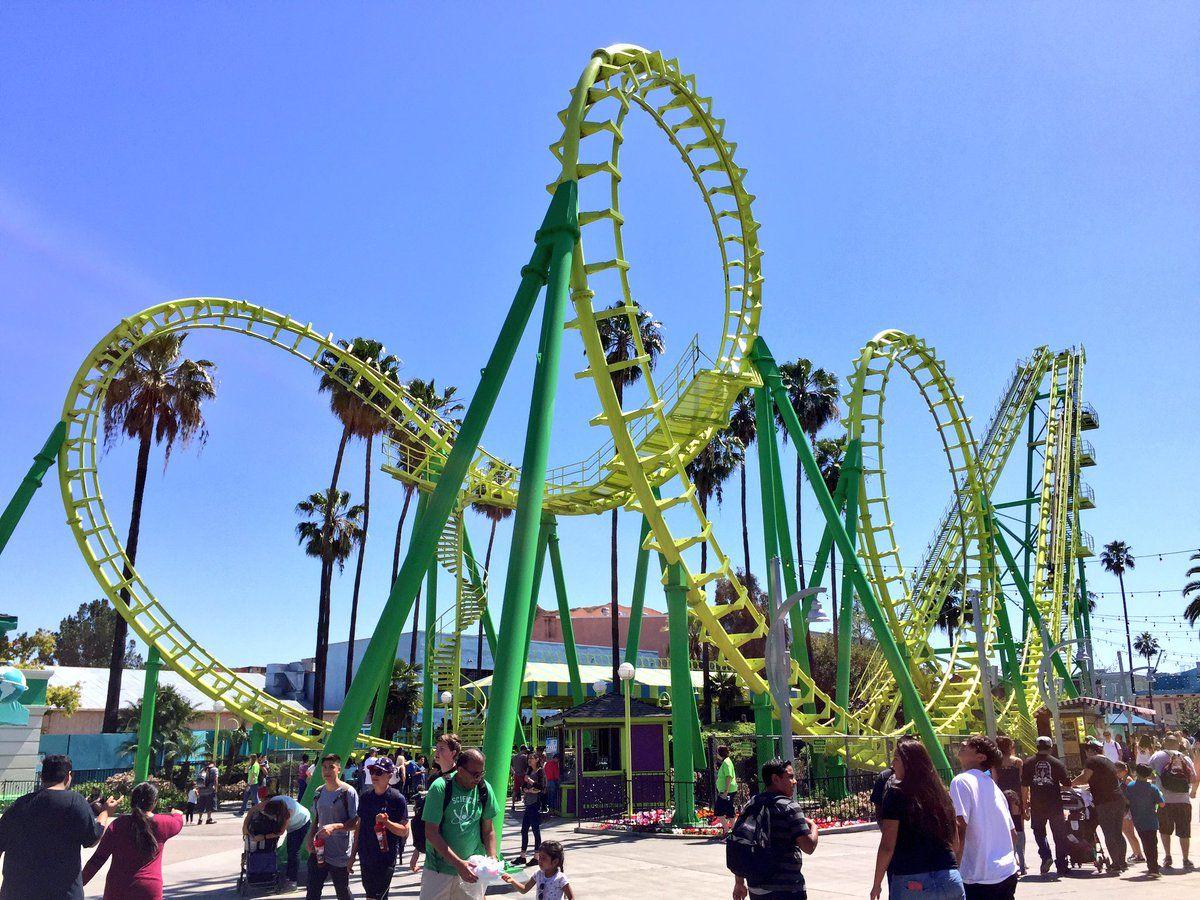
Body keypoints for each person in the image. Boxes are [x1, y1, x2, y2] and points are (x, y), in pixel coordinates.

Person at [0, 754, 117, 900]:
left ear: (42, 777)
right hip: (62, 894)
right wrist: (105, 812)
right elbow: (92, 838)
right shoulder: (75, 802)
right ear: (68, 776)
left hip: (17, 892)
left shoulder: (20, 804)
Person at [870, 738, 963, 900]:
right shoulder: (942, 794)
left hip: (912, 879)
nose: (893, 764)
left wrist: (877, 883)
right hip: (949, 878)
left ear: (908, 763)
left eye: (896, 759)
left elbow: (887, 846)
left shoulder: (896, 793)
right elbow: (954, 843)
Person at [730, 758, 817, 900]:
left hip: (757, 887)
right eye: (790, 777)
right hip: (787, 889)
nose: (794, 781)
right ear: (776, 779)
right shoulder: (789, 806)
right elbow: (809, 846)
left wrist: (739, 882)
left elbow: (742, 843)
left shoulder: (752, 804)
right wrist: (814, 826)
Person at [81, 780, 183, 900]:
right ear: (154, 802)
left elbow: (98, 859)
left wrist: (78, 883)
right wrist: (177, 814)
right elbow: (178, 822)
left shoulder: (119, 824)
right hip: (149, 888)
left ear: (132, 801)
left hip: (118, 888)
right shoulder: (163, 823)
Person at [421, 747, 499, 900]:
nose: (478, 778)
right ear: (460, 769)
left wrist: (492, 857)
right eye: (475, 774)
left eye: (481, 773)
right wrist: (458, 864)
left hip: (472, 870)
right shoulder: (440, 788)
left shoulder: (484, 789)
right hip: (439, 870)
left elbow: (488, 830)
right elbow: (431, 832)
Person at [950, 736, 1018, 900]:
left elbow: (960, 826)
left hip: (978, 877)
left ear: (981, 757)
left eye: (970, 744)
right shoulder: (993, 786)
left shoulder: (961, 781)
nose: (963, 743)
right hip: (1007, 872)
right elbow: (1013, 834)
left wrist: (954, 867)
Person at [305, 754, 360, 900]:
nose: (327, 771)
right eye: (324, 767)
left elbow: (355, 822)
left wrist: (335, 827)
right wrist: (310, 838)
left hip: (340, 852)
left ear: (338, 769)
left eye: (331, 767)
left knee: (342, 891)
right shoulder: (319, 791)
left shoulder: (347, 792)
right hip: (319, 849)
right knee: (312, 891)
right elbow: (315, 818)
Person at [357, 757, 410, 900]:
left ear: (389, 775)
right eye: (373, 771)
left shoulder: (397, 798)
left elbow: (404, 830)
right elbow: (359, 827)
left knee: (378, 896)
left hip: (385, 857)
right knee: (370, 895)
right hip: (366, 854)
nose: (374, 775)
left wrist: (387, 823)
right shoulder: (365, 797)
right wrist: (352, 857)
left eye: (379, 772)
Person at [1072, 738, 1127, 873]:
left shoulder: (1092, 760)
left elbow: (1084, 778)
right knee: (1117, 832)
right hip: (1118, 799)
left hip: (1105, 801)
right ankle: (1122, 861)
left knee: (1109, 833)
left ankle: (1116, 864)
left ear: (1090, 751)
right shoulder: (1108, 761)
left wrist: (1069, 784)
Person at [1020, 736, 1071, 877]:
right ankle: (1061, 865)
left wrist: (1025, 805)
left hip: (1037, 804)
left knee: (1039, 832)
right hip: (1055, 804)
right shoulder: (1056, 763)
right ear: (1051, 746)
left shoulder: (1028, 763)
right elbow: (1067, 784)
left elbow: (1024, 786)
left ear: (1036, 747)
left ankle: (1045, 856)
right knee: (1059, 835)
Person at [1148, 732, 1196, 868]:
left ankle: (1168, 857)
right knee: (1184, 831)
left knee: (1164, 830)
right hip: (1183, 800)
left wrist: (1157, 777)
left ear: (1164, 743)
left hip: (1163, 801)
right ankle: (1186, 859)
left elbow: (1148, 773)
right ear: (1177, 744)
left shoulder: (1156, 756)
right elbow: (1193, 777)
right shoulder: (1185, 758)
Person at [243, 793, 310, 891]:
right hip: (285, 818)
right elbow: (252, 811)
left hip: (301, 823)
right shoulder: (270, 803)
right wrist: (245, 827)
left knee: (293, 850)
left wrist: (263, 837)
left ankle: (292, 881)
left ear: (277, 815)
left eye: (271, 816)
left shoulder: (288, 813)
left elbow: (280, 832)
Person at [1126, 764, 1165, 878]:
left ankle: (1152, 865)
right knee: (1152, 844)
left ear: (1136, 773)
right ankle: (1153, 868)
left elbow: (1127, 801)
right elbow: (1162, 804)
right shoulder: (1153, 788)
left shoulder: (1131, 786)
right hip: (1151, 820)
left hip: (1138, 820)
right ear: (1148, 775)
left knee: (1145, 842)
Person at [501, 839, 573, 899]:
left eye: (544, 858)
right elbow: (524, 889)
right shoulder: (538, 874)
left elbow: (571, 898)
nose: (540, 860)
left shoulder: (560, 878)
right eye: (539, 857)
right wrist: (512, 880)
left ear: (555, 862)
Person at [514, 755, 545, 866]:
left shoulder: (540, 771)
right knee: (524, 830)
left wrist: (531, 782)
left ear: (537, 759)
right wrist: (525, 789)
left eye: (531, 758)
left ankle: (536, 857)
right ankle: (523, 856)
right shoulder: (529, 770)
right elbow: (523, 785)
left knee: (535, 830)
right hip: (528, 803)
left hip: (536, 803)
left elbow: (541, 786)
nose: (529, 761)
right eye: (529, 759)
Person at [714, 744, 738, 838]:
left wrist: (726, 792)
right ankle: (731, 832)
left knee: (721, 811)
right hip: (726, 791)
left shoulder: (726, 763)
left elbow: (729, 776)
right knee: (728, 810)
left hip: (727, 791)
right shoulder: (726, 762)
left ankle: (730, 832)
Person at [1002, 791, 1025, 876]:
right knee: (1021, 853)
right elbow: (1024, 818)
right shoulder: (1018, 808)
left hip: (1011, 832)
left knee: (1012, 852)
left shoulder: (1007, 810)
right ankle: (1023, 869)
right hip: (1020, 831)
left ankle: (1014, 870)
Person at [197, 758, 219, 824]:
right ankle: (209, 819)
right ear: (214, 763)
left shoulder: (202, 769)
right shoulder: (215, 769)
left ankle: (200, 819)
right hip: (210, 790)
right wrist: (216, 788)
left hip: (201, 790)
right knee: (209, 804)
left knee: (201, 805)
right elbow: (216, 779)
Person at [511, 745, 530, 812]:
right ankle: (526, 804)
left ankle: (513, 805)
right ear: (524, 750)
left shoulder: (514, 757)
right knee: (525, 789)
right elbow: (527, 766)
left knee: (515, 790)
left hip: (516, 775)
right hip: (523, 775)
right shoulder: (524, 757)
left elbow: (511, 766)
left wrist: (514, 772)